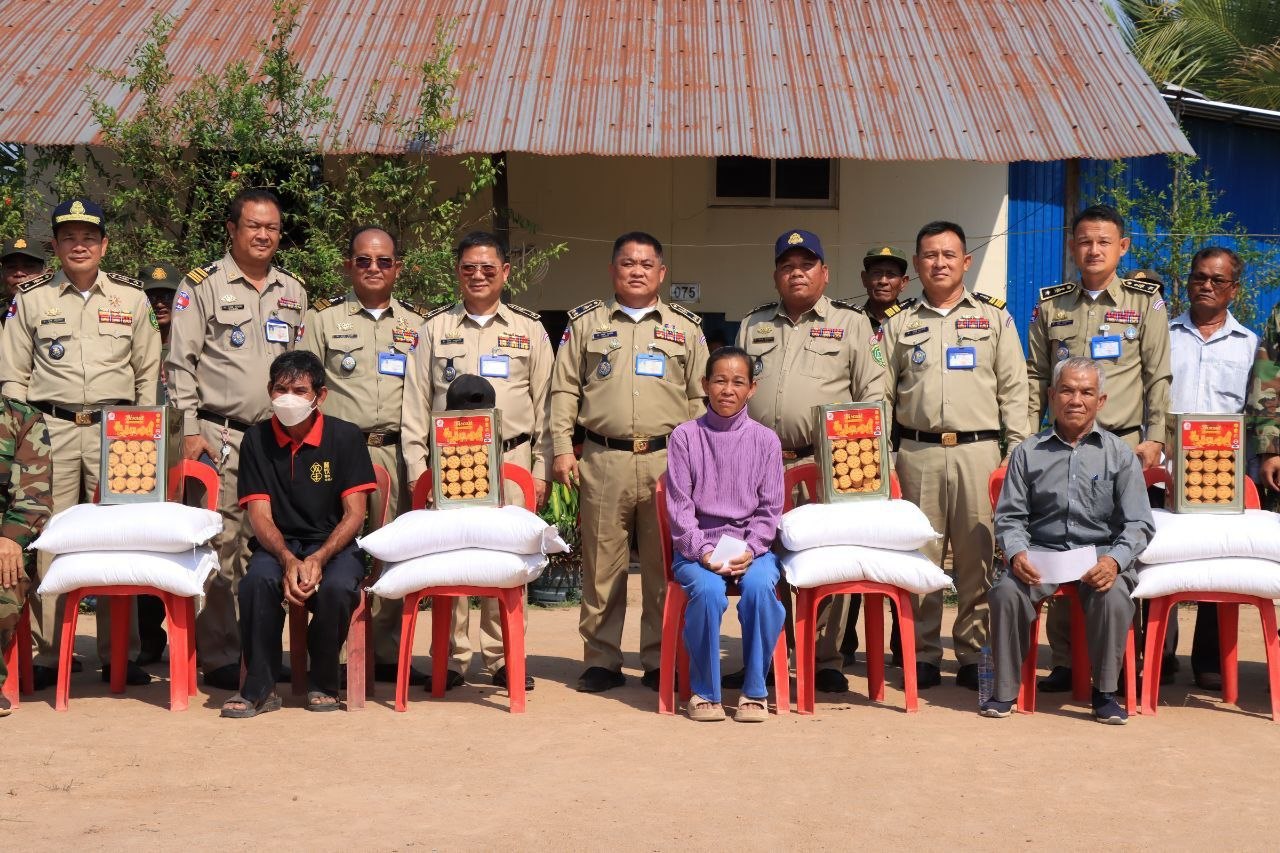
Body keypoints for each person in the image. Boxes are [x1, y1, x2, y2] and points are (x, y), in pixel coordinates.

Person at [0, 198, 161, 690]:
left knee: (120, 538)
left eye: (88, 237)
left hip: (119, 431)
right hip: (50, 431)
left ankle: (121, 653)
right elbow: (13, 377)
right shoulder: (31, 299)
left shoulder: (131, 299)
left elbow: (148, 373)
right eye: (69, 237)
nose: (79, 246)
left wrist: (141, 434)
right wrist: (22, 437)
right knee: (52, 540)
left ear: (104, 245)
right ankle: (52, 653)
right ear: (55, 246)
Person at [551, 231, 708, 693]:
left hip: (668, 461)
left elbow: (699, 397)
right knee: (603, 565)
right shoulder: (585, 323)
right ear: (612, 270)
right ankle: (602, 659)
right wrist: (562, 447)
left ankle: (660, 657)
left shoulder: (686, 328)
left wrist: (698, 461)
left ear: (661, 272)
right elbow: (564, 390)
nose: (636, 271)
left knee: (664, 566)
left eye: (646, 264)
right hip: (604, 458)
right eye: (627, 263)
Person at [166, 188, 308, 691]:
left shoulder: (293, 291)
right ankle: (222, 654)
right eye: (254, 225)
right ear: (232, 229)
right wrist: (187, 432)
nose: (264, 235)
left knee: (266, 545)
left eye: (272, 227)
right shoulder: (201, 285)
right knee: (220, 544)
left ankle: (260, 650)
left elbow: (303, 369)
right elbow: (179, 363)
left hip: (276, 438)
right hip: (218, 434)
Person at [1025, 204, 1171, 692]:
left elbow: (1158, 375)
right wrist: (1025, 437)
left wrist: (1155, 438)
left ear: (1122, 247)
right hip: (1060, 446)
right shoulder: (1052, 306)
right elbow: (1035, 377)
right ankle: (1066, 660)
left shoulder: (1145, 303)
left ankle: (1120, 661)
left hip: (1122, 447)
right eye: (1085, 241)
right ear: (1072, 246)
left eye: (1104, 241)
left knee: (1121, 552)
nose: (1093, 250)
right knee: (1057, 538)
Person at [736, 229, 884, 694]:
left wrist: (860, 465)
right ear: (775, 275)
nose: (796, 273)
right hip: (762, 465)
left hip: (829, 464)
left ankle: (825, 659)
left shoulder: (852, 324)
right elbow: (735, 392)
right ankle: (766, 655)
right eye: (787, 266)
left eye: (806, 265)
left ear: (825, 273)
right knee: (763, 559)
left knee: (830, 561)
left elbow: (874, 394)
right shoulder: (753, 324)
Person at [882, 220, 1029, 690]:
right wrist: (885, 458)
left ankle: (971, 652)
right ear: (916, 264)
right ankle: (922, 653)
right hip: (917, 452)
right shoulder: (898, 323)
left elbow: (1015, 390)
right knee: (919, 557)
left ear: (966, 262)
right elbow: (880, 396)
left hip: (979, 452)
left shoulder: (994, 319)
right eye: (930, 255)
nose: (940, 263)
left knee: (977, 558)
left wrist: (1015, 455)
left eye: (949, 255)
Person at [401, 231, 551, 692]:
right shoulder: (433, 329)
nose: (478, 275)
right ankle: (452, 658)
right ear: (458, 272)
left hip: (512, 461)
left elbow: (546, 404)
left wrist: (540, 468)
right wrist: (419, 472)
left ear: (505, 272)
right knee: (453, 559)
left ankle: (505, 657)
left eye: (488, 268)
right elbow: (414, 405)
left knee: (507, 559)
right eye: (469, 267)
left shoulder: (529, 330)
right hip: (450, 461)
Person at [986, 357, 1154, 723]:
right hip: (1041, 556)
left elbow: (1139, 522)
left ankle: (1105, 693)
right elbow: (1010, 517)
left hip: (1099, 556)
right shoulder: (1027, 453)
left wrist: (1114, 561)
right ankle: (1005, 690)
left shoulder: (1119, 454)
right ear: (1051, 396)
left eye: (1086, 392)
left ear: (1101, 401)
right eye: (1067, 390)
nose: (1076, 400)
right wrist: (1016, 553)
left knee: (1113, 594)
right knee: (1005, 592)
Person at [301, 227, 427, 686]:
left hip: (396, 450)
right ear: (348, 265)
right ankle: (333, 651)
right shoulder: (322, 320)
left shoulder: (418, 324)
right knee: (336, 547)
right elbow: (305, 387)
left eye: (384, 261)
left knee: (394, 552)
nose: (374, 268)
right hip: (340, 453)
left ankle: (386, 652)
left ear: (398, 267)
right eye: (364, 260)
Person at [221, 350, 376, 717]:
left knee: (338, 587)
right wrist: (288, 559)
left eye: (299, 390)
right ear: (269, 391)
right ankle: (259, 689)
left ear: (320, 396)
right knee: (256, 583)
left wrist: (319, 558)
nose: (288, 398)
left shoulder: (345, 437)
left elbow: (355, 514)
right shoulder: (256, 440)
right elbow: (260, 515)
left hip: (334, 545)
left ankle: (323, 682)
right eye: (280, 389)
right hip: (279, 545)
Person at [665, 346, 785, 723]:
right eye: (719, 380)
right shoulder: (685, 437)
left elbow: (770, 509)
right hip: (696, 549)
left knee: (761, 588)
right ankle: (704, 691)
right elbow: (680, 507)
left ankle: (755, 689)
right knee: (707, 591)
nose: (727, 390)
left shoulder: (766, 440)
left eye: (737, 382)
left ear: (752, 388)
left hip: (752, 549)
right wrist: (702, 550)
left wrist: (751, 548)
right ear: (705, 385)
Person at [1170, 247, 1256, 691]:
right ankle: (1160, 655)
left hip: (1220, 474)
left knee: (1215, 564)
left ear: (1233, 290)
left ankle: (1207, 659)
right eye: (1199, 277)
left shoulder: (1250, 345)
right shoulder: (1162, 336)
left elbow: (1256, 413)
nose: (1206, 285)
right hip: (1164, 470)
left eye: (1217, 280)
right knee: (1155, 559)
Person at [842, 244, 916, 667]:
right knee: (854, 545)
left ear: (904, 282)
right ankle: (845, 641)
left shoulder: (909, 322)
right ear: (864, 279)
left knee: (895, 549)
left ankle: (901, 643)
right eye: (875, 274)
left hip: (901, 446)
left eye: (891, 274)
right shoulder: (850, 322)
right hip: (854, 450)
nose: (882, 281)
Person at [137, 261, 182, 665]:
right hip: (140, 455)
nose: (161, 302)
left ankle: (197, 639)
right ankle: (148, 637)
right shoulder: (135, 339)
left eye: (167, 295)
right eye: (152, 296)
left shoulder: (190, 339)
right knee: (145, 544)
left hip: (186, 452)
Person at [0, 398, 53, 717]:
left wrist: (10, 538)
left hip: (4, 539)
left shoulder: (21, 418)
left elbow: (33, 498)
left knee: (5, 582)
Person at [1, 238, 46, 303]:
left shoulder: (58, 307)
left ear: (45, 273)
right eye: (11, 267)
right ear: (2, 274)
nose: (19, 273)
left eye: (29, 266)